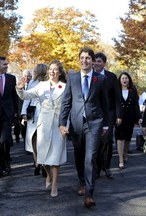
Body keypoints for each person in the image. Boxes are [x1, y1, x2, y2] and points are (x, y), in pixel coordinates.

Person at [59, 47, 109, 208]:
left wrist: (106, 125)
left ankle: (89, 193)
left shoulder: (99, 79)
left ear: (93, 61)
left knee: (90, 158)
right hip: (76, 124)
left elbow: (105, 104)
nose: (84, 61)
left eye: (88, 58)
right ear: (79, 60)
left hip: (94, 123)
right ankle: (82, 181)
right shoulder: (72, 78)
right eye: (82, 58)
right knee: (79, 156)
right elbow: (66, 102)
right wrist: (62, 123)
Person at [16, 60, 67, 198]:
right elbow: (26, 96)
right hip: (43, 124)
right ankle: (48, 174)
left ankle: (55, 185)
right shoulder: (41, 86)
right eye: (50, 69)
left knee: (55, 157)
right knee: (41, 158)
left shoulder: (65, 87)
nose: (52, 71)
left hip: (58, 124)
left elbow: (68, 107)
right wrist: (20, 89)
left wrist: (66, 125)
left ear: (60, 72)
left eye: (55, 69)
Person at [93, 52, 122, 179]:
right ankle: (96, 168)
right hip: (94, 114)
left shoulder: (111, 77)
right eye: (95, 61)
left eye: (99, 61)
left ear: (104, 63)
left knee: (107, 141)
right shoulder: (90, 76)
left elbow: (117, 98)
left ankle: (106, 166)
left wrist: (118, 115)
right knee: (96, 142)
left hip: (109, 114)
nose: (97, 63)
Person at [20, 64, 47, 176]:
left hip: (45, 114)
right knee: (33, 139)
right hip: (33, 114)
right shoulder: (32, 83)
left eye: (35, 70)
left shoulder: (48, 83)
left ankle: (44, 164)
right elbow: (26, 98)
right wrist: (24, 113)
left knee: (44, 140)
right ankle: (37, 163)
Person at [115, 72, 141, 169]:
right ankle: (120, 159)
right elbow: (115, 104)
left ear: (129, 79)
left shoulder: (133, 90)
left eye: (126, 78)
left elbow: (136, 105)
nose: (124, 80)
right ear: (120, 80)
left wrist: (139, 117)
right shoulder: (116, 90)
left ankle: (125, 154)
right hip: (119, 117)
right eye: (122, 78)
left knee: (128, 137)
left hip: (130, 116)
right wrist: (117, 116)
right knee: (120, 137)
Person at [14, 69, 32, 144]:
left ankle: (27, 145)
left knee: (28, 129)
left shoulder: (33, 86)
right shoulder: (18, 86)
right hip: (19, 111)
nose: (27, 78)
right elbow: (15, 99)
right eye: (25, 76)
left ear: (31, 77)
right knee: (21, 128)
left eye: (28, 76)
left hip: (30, 112)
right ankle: (21, 138)